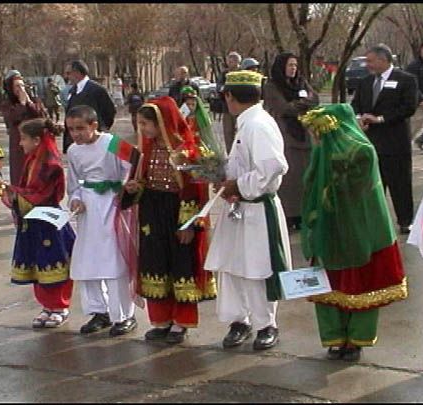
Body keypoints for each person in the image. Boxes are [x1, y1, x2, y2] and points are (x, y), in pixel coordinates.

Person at [298, 104, 408, 362]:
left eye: (318, 131)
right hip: (330, 229)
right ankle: (335, 338)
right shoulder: (324, 151)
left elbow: (354, 192)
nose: (315, 137)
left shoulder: (361, 152)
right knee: (329, 286)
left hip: (361, 231)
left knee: (362, 285)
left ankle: (356, 339)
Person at [204, 70, 292, 351]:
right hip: (238, 208)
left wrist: (238, 185)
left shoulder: (258, 125)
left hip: (256, 210)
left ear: (229, 96)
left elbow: (272, 167)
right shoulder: (247, 123)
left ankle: (267, 324)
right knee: (231, 267)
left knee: (257, 269)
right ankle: (239, 320)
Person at [124, 96, 217, 344]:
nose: (142, 129)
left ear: (162, 122)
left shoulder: (185, 152)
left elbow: (194, 191)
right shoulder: (147, 150)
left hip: (177, 213)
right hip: (153, 212)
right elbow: (143, 180)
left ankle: (181, 322)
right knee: (155, 263)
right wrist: (135, 187)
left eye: (146, 123)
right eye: (139, 123)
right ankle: (161, 320)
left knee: (180, 265)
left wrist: (187, 225)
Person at [66, 105, 137, 337]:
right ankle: (99, 311)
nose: (76, 134)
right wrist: (76, 199)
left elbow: (136, 162)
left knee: (113, 260)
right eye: (71, 129)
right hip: (88, 210)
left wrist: (125, 185)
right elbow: (75, 182)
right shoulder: (73, 151)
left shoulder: (112, 143)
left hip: (111, 204)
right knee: (88, 261)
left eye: (80, 128)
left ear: (94, 125)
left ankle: (124, 315)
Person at [1, 118, 76, 328]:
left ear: (36, 139)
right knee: (37, 264)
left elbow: (42, 194)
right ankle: (47, 306)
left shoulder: (50, 163)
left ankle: (60, 306)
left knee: (53, 264)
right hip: (34, 222)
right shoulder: (33, 159)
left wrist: (15, 194)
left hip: (48, 222)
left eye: (23, 139)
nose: (20, 144)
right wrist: (12, 193)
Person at [351, 43, 418, 234]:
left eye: (370, 61)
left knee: (400, 184)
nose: (367, 65)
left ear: (383, 60)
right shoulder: (364, 82)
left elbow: (408, 107)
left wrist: (380, 119)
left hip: (395, 143)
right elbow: (355, 105)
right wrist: (359, 119)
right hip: (370, 143)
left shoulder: (406, 80)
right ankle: (374, 221)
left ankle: (405, 221)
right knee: (372, 186)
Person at [263, 52, 320, 231]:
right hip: (286, 135)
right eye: (290, 65)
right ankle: (289, 215)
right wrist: (303, 104)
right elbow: (284, 108)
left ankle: (305, 214)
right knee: (290, 179)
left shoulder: (301, 83)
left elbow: (315, 98)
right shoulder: (272, 86)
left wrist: (299, 104)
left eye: (295, 65)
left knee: (306, 176)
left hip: (305, 135)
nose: (293, 69)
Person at [0, 70, 47, 185]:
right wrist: (21, 104)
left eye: (22, 85)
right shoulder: (7, 104)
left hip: (36, 141)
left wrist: (29, 102)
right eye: (16, 86)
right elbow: (12, 118)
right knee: (20, 172)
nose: (20, 89)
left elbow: (42, 116)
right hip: (19, 143)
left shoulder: (34, 100)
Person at [62, 60, 116, 154]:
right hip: (76, 143)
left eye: (68, 73)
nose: (66, 77)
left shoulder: (97, 90)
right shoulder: (72, 91)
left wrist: (98, 130)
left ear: (77, 73)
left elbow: (109, 112)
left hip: (94, 142)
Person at [217, 52, 242, 153]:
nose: (229, 63)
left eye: (231, 61)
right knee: (228, 132)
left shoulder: (242, 73)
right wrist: (225, 89)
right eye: (228, 61)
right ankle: (230, 154)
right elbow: (219, 87)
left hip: (241, 106)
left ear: (237, 62)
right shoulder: (224, 74)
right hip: (227, 107)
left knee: (241, 131)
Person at [407, 39, 423, 150]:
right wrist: (421, 99)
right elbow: (411, 86)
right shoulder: (414, 66)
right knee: (412, 129)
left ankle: (421, 140)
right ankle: (402, 146)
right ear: (421, 50)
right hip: (419, 105)